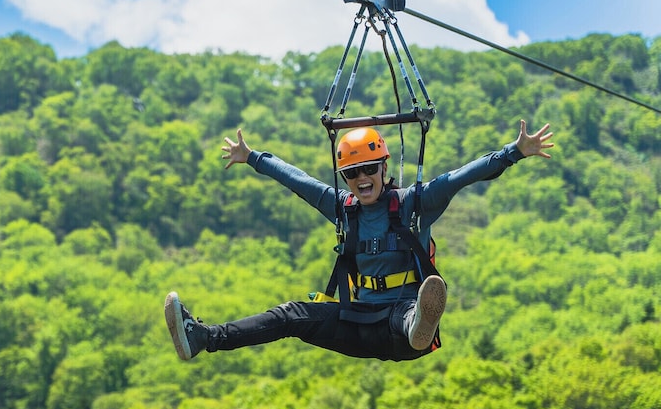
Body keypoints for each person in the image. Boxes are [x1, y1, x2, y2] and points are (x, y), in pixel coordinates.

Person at [165, 120, 555, 362]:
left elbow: (463, 176)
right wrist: (252, 157)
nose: (362, 178)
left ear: (385, 168)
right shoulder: (344, 208)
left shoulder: (415, 203)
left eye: (370, 168)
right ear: (346, 178)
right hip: (355, 322)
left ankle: (422, 324)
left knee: (406, 317)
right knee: (291, 315)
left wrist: (514, 152)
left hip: (399, 326)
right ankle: (205, 338)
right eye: (352, 173)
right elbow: (296, 180)